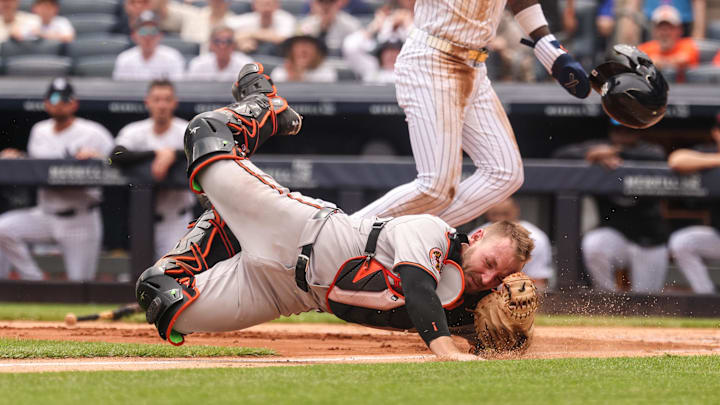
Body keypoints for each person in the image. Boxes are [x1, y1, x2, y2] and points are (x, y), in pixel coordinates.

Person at [135, 66, 535, 360]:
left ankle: (222, 221)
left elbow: (496, 346)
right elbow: (417, 288)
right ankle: (266, 105)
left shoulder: (469, 300)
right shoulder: (433, 232)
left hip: (286, 293)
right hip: (295, 229)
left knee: (163, 301)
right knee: (204, 133)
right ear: (478, 236)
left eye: (498, 277)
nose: (487, 276)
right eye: (490, 263)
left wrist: (512, 326)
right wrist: (445, 349)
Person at [349, 0, 590, 228]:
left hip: (475, 65)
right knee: (435, 186)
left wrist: (547, 43)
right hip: (432, 55)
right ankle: (339, 234)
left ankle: (409, 236)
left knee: (505, 173)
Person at [0, 78, 114, 281]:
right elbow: (37, 166)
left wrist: (99, 159)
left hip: (79, 219)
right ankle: (35, 281)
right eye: (54, 97)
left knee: (80, 287)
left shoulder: (93, 132)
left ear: (74, 103)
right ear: (46, 102)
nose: (59, 103)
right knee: (3, 229)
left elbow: (121, 158)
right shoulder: (39, 131)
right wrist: (17, 158)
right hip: (45, 214)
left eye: (65, 98)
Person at [553, 121, 670, 293]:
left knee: (646, 301)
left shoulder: (649, 151)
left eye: (628, 130)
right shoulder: (599, 148)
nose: (622, 134)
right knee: (594, 244)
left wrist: (616, 152)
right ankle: (608, 301)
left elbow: (659, 157)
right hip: (616, 235)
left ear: (637, 132)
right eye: (618, 130)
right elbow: (560, 155)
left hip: (649, 238)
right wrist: (592, 154)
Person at [109, 80, 194, 260]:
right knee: (140, 277)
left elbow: (204, 152)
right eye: (156, 99)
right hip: (141, 219)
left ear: (175, 103)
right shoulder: (135, 130)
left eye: (167, 99)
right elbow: (115, 156)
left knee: (171, 277)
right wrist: (156, 153)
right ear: (147, 102)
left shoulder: (186, 129)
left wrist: (174, 154)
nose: (162, 105)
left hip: (175, 220)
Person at [666, 113, 720, 294]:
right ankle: (708, 298)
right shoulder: (710, 154)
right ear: (716, 133)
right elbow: (677, 160)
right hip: (718, 236)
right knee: (682, 242)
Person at [474, 197, 553, 289]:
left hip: (520, 296)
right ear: (487, 213)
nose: (501, 219)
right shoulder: (477, 235)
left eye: (505, 213)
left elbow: (539, 281)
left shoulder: (536, 238)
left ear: (516, 210)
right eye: (495, 214)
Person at [112, 10, 185, 81]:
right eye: (143, 31)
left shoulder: (173, 57)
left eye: (153, 31)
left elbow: (177, 89)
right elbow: (121, 90)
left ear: (160, 35)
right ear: (134, 35)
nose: (148, 36)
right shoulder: (124, 59)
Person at [638, 4, 699, 82]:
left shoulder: (688, 45)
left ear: (679, 30)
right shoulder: (644, 49)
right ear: (653, 31)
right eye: (661, 28)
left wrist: (657, 62)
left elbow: (684, 59)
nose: (665, 33)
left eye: (670, 28)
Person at [185, 25, 253, 82]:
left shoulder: (245, 65)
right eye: (217, 41)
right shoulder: (198, 64)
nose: (222, 46)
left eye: (228, 41)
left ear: (234, 45)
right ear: (211, 45)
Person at [229, 0, 296, 55]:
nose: (266, 8)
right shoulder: (248, 18)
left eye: (269, 4)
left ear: (277, 5)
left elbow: (285, 39)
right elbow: (226, 31)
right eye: (262, 4)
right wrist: (243, 41)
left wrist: (251, 34)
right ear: (254, 6)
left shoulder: (286, 18)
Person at [297, 0, 361, 56]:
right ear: (313, 5)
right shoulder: (306, 24)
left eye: (330, 2)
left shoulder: (351, 25)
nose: (325, 6)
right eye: (321, 2)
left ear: (338, 4)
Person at [270, 34, 338, 82]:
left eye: (308, 46)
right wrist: (292, 77)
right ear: (291, 50)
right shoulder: (280, 72)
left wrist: (300, 77)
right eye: (299, 46)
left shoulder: (326, 72)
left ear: (318, 51)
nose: (303, 51)